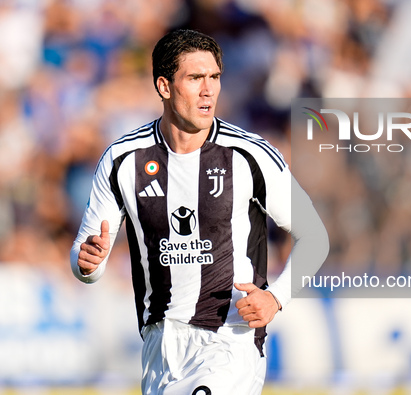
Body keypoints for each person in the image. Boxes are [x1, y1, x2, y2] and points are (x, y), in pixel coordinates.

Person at [70, 29, 329, 395]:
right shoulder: (123, 161)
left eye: (215, 78)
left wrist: (276, 297)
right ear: (164, 86)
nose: (209, 90)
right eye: (195, 78)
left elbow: (315, 236)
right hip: (159, 346)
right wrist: (86, 264)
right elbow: (86, 259)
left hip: (229, 339)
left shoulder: (249, 155)